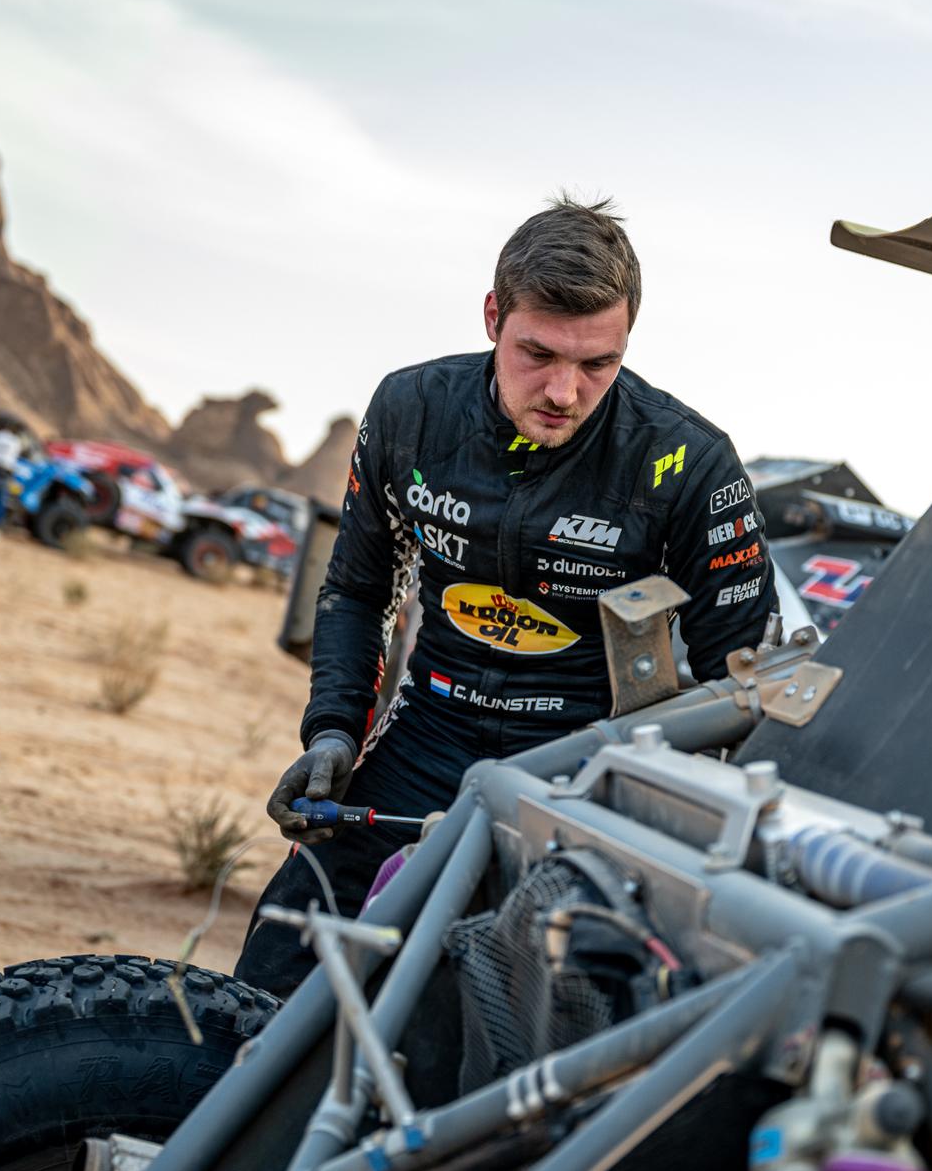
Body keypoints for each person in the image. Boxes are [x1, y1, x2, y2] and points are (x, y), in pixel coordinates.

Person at [237, 196, 776, 997]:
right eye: (538, 353)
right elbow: (358, 586)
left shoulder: (687, 462)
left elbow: (747, 682)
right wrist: (331, 735)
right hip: (428, 738)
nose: (564, 390)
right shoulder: (410, 411)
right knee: (277, 970)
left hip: (584, 768)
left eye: (599, 364)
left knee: (512, 1017)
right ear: (494, 316)